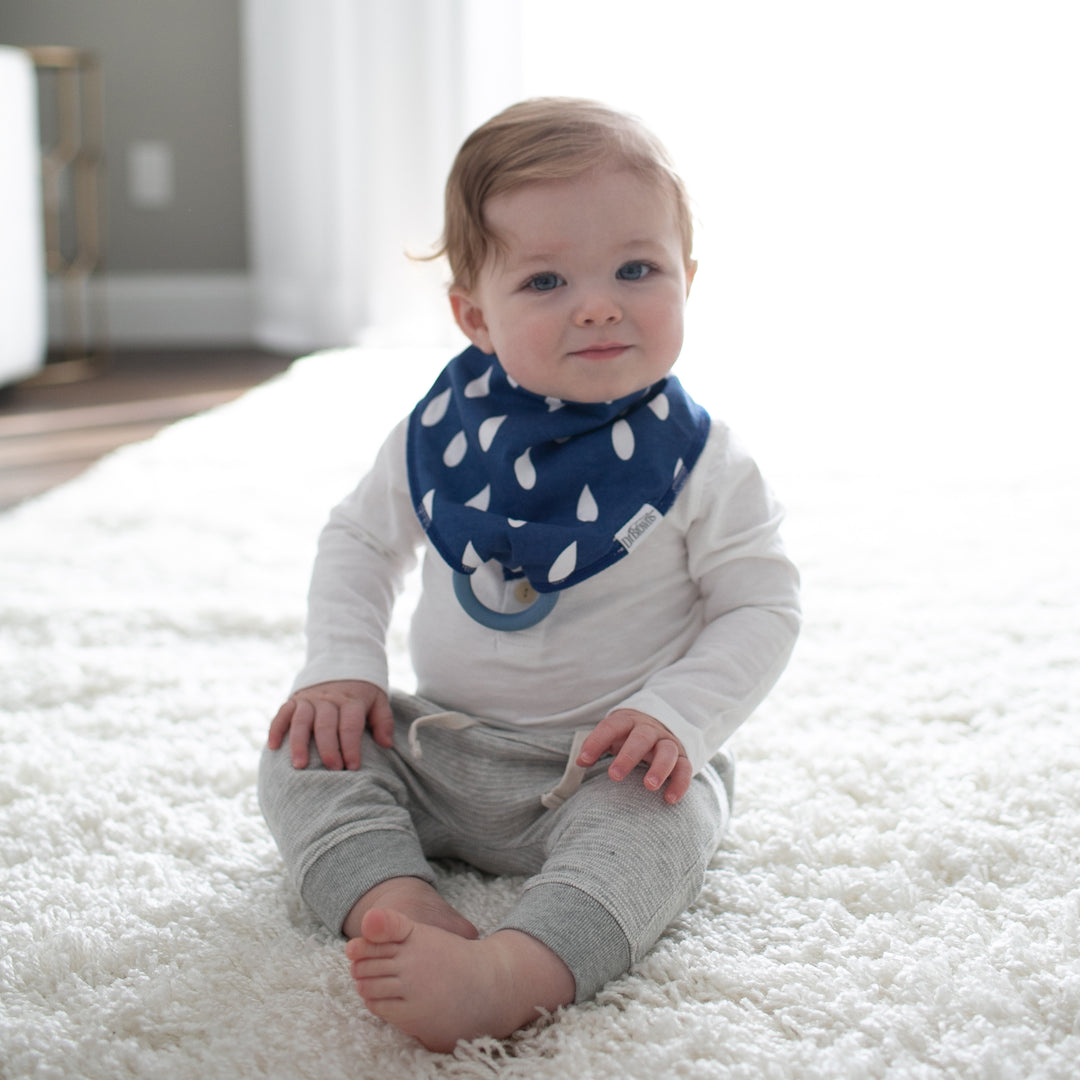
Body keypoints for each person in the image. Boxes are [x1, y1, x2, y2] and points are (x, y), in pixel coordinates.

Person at [259, 97, 800, 1052]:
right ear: (474, 314)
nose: (599, 304)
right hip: (444, 745)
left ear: (688, 278)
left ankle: (518, 970)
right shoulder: (437, 438)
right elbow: (357, 543)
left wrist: (677, 717)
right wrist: (339, 664)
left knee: (665, 830)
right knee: (307, 749)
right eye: (546, 280)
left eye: (637, 270)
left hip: (611, 760)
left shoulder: (704, 460)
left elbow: (761, 603)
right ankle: (396, 895)